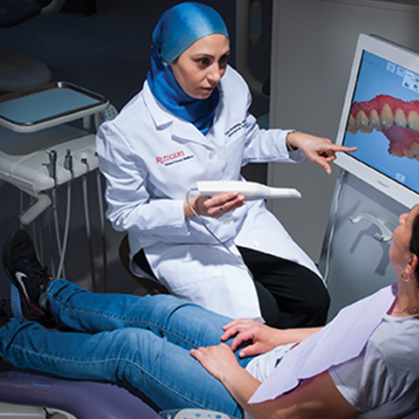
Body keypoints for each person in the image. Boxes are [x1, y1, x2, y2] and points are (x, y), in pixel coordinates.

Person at [1, 203, 419, 418]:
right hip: (276, 363)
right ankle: (46, 295)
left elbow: (284, 415)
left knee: (134, 349)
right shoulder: (404, 294)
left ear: (413, 261)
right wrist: (277, 336)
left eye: (409, 220)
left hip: (253, 403)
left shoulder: (396, 349)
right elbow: (344, 337)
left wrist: (228, 371)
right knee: (161, 311)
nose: (401, 217)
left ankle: (8, 338)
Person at [96, 2, 356, 328]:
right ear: (167, 58)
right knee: (262, 319)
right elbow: (125, 214)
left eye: (223, 60)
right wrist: (189, 209)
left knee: (313, 299)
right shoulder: (126, 132)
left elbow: (242, 141)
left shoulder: (231, 86)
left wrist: (293, 139)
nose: (216, 75)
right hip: (176, 239)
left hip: (239, 219)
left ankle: (294, 371)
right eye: (202, 62)